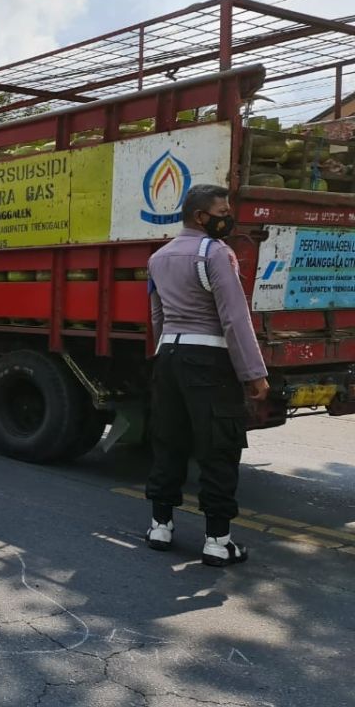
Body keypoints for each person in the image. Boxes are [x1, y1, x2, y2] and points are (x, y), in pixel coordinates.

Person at [144, 184, 269, 567]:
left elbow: (157, 316)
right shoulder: (214, 253)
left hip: (168, 356)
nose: (228, 216)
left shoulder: (159, 257)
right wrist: (253, 373)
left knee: (169, 440)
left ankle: (160, 526)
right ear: (201, 216)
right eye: (222, 209)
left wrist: (162, 354)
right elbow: (234, 317)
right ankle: (218, 541)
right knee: (219, 447)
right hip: (209, 360)